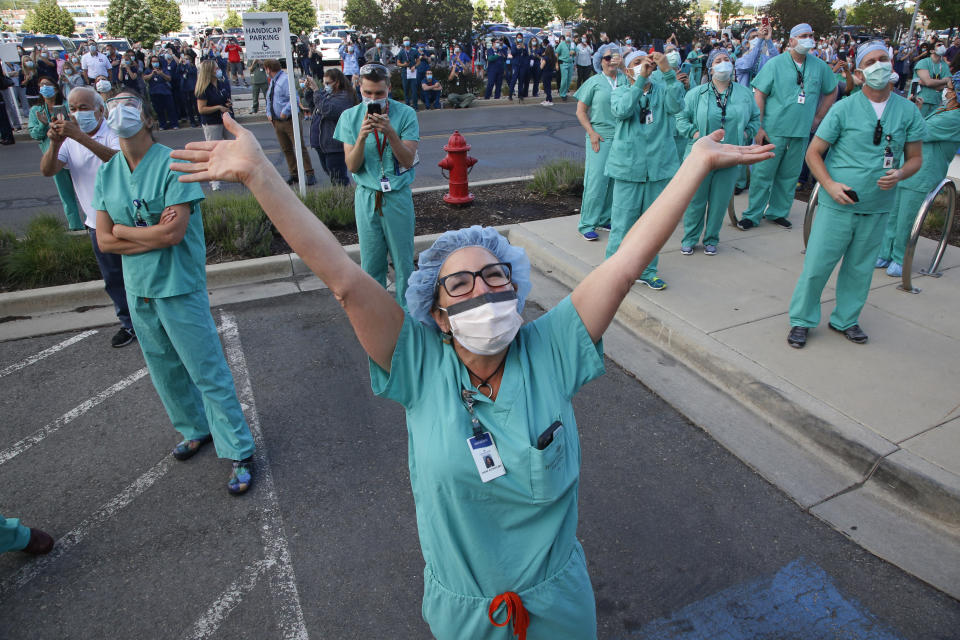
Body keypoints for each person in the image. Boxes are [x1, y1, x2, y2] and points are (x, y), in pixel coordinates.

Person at [168, 110, 772, 640]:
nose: (481, 289)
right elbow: (346, 281)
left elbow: (623, 265)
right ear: (438, 313)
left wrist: (693, 166)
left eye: (494, 275)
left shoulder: (552, 347)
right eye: (459, 283)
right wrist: (259, 175)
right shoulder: (417, 362)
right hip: (465, 615)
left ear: (516, 287)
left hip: (559, 604)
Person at [93, 89, 255, 495]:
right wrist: (141, 234)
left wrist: (125, 230)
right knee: (165, 370)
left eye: (129, 105)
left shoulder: (174, 163)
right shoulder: (108, 172)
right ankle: (194, 428)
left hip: (177, 285)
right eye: (112, 106)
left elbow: (173, 232)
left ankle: (239, 449)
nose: (120, 112)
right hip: (140, 290)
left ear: (148, 118)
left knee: (206, 370)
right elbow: (104, 242)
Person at [787, 42, 926, 349]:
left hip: (876, 206)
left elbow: (915, 157)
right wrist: (829, 184)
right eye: (872, 61)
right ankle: (801, 319)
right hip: (838, 204)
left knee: (860, 269)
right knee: (817, 266)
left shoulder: (907, 111)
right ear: (861, 72)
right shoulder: (844, 108)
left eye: (883, 59)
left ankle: (846, 319)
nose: (880, 65)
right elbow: (814, 153)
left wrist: (901, 173)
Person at [38, 86, 135, 348]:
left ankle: (153, 319)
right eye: (72, 108)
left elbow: (120, 161)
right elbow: (48, 169)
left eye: (83, 107)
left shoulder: (113, 132)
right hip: (96, 224)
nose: (77, 113)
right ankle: (129, 323)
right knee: (114, 279)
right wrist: (55, 143)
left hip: (129, 219)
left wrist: (79, 137)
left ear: (100, 110)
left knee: (141, 273)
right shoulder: (68, 140)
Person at [333, 63, 419, 305]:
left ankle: (406, 316)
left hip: (397, 196)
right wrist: (361, 137)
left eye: (379, 93)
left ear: (389, 89)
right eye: (368, 92)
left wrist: (390, 133)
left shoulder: (405, 114)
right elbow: (352, 165)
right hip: (367, 196)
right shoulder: (349, 117)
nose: (373, 98)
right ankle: (378, 313)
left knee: (403, 262)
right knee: (371, 262)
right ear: (359, 87)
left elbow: (408, 159)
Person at [738, 23, 837, 231]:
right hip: (774, 130)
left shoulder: (819, 66)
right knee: (763, 174)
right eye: (803, 36)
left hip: (801, 131)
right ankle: (752, 214)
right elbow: (760, 95)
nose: (808, 39)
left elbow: (832, 89)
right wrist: (759, 126)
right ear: (791, 40)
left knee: (789, 175)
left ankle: (778, 211)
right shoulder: (775, 64)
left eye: (810, 35)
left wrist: (819, 117)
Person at [604, 50, 684, 290]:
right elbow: (622, 111)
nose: (643, 66)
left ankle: (647, 270)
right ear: (628, 71)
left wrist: (667, 72)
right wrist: (639, 82)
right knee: (622, 222)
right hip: (628, 168)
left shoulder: (662, 89)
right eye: (636, 64)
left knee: (652, 225)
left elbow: (677, 105)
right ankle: (612, 271)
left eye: (645, 62)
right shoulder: (621, 91)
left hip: (658, 168)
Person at [676, 48, 761, 256]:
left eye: (726, 60)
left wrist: (746, 134)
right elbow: (681, 118)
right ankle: (690, 238)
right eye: (718, 61)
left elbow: (755, 119)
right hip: (701, 156)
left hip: (729, 156)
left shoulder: (743, 93)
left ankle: (712, 238)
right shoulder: (697, 93)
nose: (723, 64)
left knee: (720, 200)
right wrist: (694, 133)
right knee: (696, 200)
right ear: (711, 68)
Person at [876, 71, 960, 277]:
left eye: (949, 88)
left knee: (907, 219)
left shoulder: (955, 118)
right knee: (893, 214)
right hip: (907, 169)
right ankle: (885, 252)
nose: (945, 91)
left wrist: (910, 112)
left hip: (923, 174)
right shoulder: (942, 110)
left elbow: (920, 131)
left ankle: (899, 258)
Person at [574, 44, 625, 241]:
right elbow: (580, 111)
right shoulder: (594, 82)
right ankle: (587, 223)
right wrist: (591, 133)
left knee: (614, 180)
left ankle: (605, 218)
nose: (611, 60)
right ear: (599, 62)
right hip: (600, 136)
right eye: (606, 58)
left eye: (614, 56)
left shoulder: (624, 79)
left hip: (622, 136)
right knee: (596, 180)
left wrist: (625, 68)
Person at [29, 78, 83, 230]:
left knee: (85, 188)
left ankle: (92, 223)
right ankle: (76, 226)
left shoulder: (67, 106)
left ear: (56, 89)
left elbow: (78, 127)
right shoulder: (36, 111)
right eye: (42, 85)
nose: (45, 87)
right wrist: (43, 123)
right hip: (55, 156)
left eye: (48, 85)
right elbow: (35, 135)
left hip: (74, 152)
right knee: (66, 194)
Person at [264, 58, 317, 186]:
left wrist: (285, 111)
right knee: (286, 148)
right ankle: (294, 174)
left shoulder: (284, 80)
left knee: (299, 146)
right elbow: (269, 98)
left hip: (288, 119)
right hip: (277, 121)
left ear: (268, 69)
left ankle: (309, 173)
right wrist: (269, 113)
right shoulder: (274, 81)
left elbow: (294, 98)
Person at [308, 68, 354, 186]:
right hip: (323, 145)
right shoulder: (328, 94)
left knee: (338, 179)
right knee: (332, 175)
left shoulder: (345, 97)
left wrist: (316, 90)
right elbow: (313, 104)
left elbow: (328, 110)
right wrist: (310, 91)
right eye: (324, 83)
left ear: (337, 82)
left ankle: (345, 201)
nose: (325, 86)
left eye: (328, 83)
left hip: (334, 146)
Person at [195, 60, 233, 192]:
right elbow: (201, 109)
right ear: (209, 71)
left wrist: (227, 104)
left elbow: (225, 99)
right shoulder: (203, 89)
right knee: (213, 152)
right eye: (216, 68)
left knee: (229, 148)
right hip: (212, 123)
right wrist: (218, 107)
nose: (218, 70)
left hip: (225, 120)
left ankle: (229, 173)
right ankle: (214, 180)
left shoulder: (221, 83)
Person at [912, 42, 949, 117]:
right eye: (939, 45)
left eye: (943, 45)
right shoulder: (923, 63)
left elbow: (948, 83)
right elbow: (928, 82)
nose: (942, 47)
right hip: (920, 100)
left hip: (936, 101)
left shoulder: (944, 65)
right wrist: (942, 82)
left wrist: (927, 82)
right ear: (932, 50)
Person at [144, 54, 177, 130]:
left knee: (170, 108)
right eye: (153, 62)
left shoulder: (164, 69)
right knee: (159, 110)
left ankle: (174, 124)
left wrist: (161, 74)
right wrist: (152, 74)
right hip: (154, 92)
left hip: (165, 92)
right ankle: (163, 124)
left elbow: (169, 78)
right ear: (151, 63)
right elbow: (145, 78)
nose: (155, 63)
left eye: (156, 61)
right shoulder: (148, 70)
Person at [398, 37, 420, 109]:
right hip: (405, 72)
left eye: (407, 40)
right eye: (405, 41)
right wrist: (403, 65)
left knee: (414, 89)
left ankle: (415, 106)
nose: (406, 42)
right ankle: (407, 105)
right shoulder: (401, 52)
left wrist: (415, 66)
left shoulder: (414, 51)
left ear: (409, 42)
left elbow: (418, 61)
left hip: (413, 72)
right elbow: (398, 63)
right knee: (406, 89)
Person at [556, 30, 575, 102]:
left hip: (570, 63)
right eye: (567, 36)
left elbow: (576, 53)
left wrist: (574, 52)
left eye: (569, 36)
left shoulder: (573, 44)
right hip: (563, 63)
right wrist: (556, 64)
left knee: (569, 79)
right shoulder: (561, 44)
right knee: (564, 79)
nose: (568, 37)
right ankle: (562, 93)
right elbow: (557, 53)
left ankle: (565, 91)